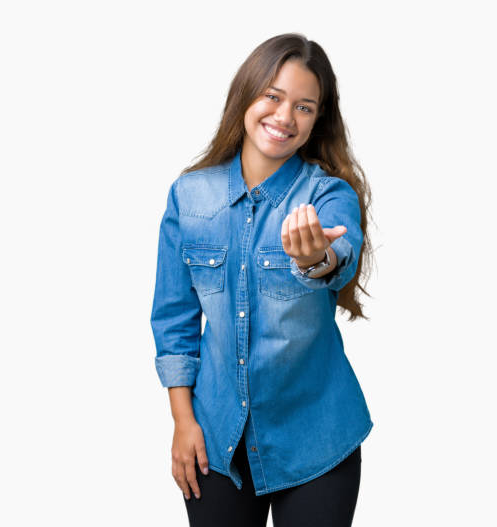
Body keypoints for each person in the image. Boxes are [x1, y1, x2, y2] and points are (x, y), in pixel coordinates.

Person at [150, 32, 375, 527]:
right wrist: (182, 422)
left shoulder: (328, 195)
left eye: (304, 107)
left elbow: (342, 253)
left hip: (318, 439)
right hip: (213, 441)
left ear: (318, 120)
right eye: (273, 96)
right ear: (246, 95)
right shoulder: (189, 197)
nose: (284, 117)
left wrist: (317, 259)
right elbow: (174, 322)